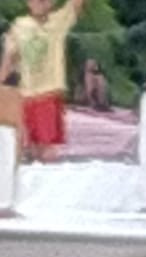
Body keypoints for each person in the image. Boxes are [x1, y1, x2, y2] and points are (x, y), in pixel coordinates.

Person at [0, 0, 87, 163]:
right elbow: (9, 59)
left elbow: (76, 4)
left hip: (48, 95)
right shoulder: (19, 26)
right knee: (29, 148)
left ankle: (50, 182)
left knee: (47, 149)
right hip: (25, 97)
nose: (40, 2)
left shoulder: (58, 21)